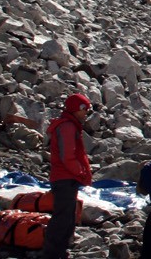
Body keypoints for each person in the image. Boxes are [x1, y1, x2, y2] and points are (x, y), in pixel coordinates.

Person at [43, 93, 94, 259]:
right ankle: (52, 252)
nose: (86, 113)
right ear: (76, 109)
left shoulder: (70, 125)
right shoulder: (67, 127)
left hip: (65, 177)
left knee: (67, 215)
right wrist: (79, 171)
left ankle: (60, 249)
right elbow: (67, 156)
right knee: (62, 216)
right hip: (65, 177)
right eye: (84, 109)